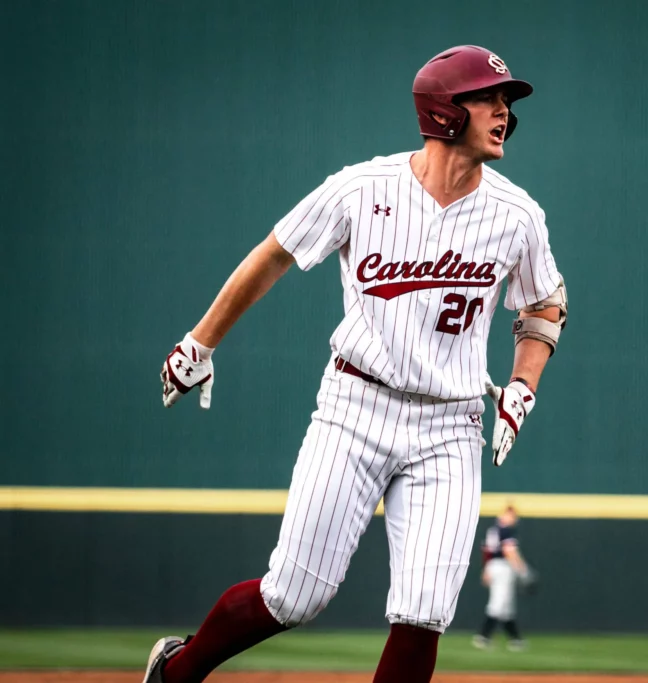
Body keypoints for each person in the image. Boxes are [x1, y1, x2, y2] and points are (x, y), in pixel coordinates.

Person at [143, 44, 567, 683]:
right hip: (354, 406)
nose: (505, 111)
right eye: (489, 97)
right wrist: (200, 342)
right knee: (294, 594)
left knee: (425, 611)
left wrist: (522, 385)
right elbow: (274, 254)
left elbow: (543, 305)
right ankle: (179, 669)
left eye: (506, 100)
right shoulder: (362, 188)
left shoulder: (518, 215)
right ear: (445, 111)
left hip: (451, 426)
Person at [473, 504, 532, 651]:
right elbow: (509, 551)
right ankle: (483, 636)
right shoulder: (505, 530)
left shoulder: (493, 530)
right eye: (511, 515)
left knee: (506, 607)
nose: (513, 519)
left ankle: (515, 639)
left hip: (494, 566)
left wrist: (486, 570)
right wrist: (523, 570)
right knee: (498, 604)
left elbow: (487, 553)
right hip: (503, 567)